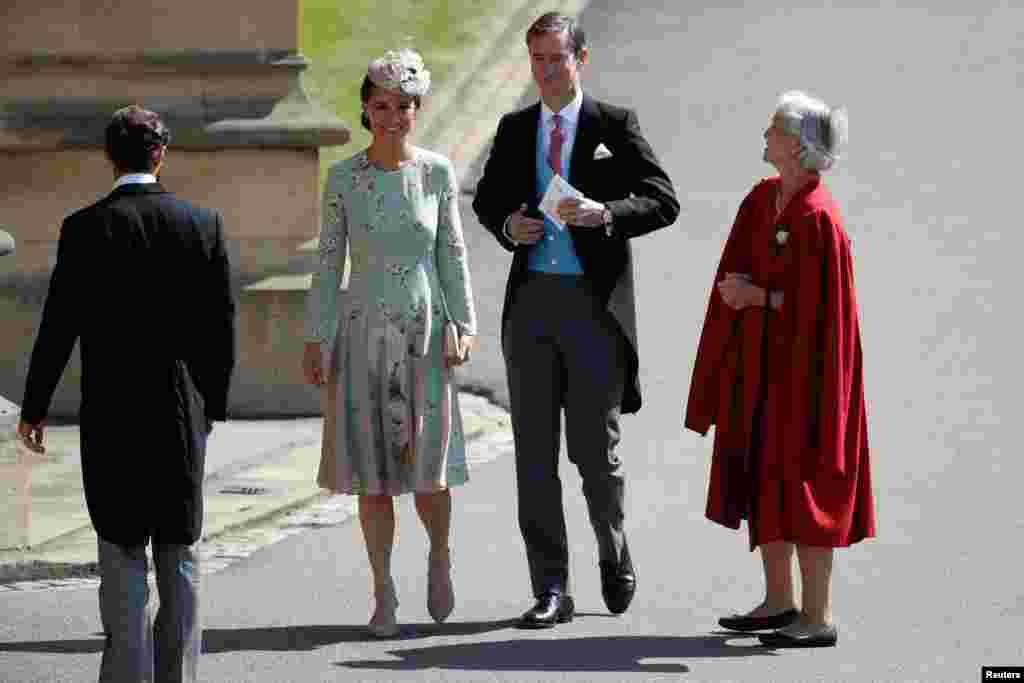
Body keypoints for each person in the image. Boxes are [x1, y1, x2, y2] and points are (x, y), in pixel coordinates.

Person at [472, 12, 679, 629]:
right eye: (536, 60)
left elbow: (663, 199)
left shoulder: (613, 125)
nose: (546, 70)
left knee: (595, 453)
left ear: (579, 59)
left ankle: (613, 548)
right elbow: (486, 200)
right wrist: (508, 226)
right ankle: (551, 588)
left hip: (594, 310)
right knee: (533, 457)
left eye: (556, 58)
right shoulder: (515, 128)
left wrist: (605, 213)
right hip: (532, 304)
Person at [18, 105, 236, 682]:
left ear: (109, 156)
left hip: (112, 413)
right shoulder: (203, 223)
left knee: (120, 548)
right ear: (161, 154)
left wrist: (34, 407)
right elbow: (221, 325)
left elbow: (58, 325)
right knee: (180, 547)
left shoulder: (84, 227)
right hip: (178, 409)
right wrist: (212, 402)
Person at [685, 91, 875, 648]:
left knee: (810, 483)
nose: (763, 135)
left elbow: (826, 315)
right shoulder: (762, 199)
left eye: (773, 129)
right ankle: (777, 602)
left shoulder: (820, 218)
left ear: (796, 146)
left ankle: (816, 617)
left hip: (809, 379)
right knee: (766, 478)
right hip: (761, 370)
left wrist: (759, 298)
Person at [302, 48, 477, 638]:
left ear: (417, 109)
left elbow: (451, 251)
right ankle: (383, 592)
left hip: (424, 332)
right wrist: (317, 336)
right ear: (365, 110)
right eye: (381, 106)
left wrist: (465, 322)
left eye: (403, 106)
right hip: (362, 334)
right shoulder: (343, 178)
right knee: (371, 475)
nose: (393, 116)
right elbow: (328, 264)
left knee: (428, 471)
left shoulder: (436, 173)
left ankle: (439, 555)